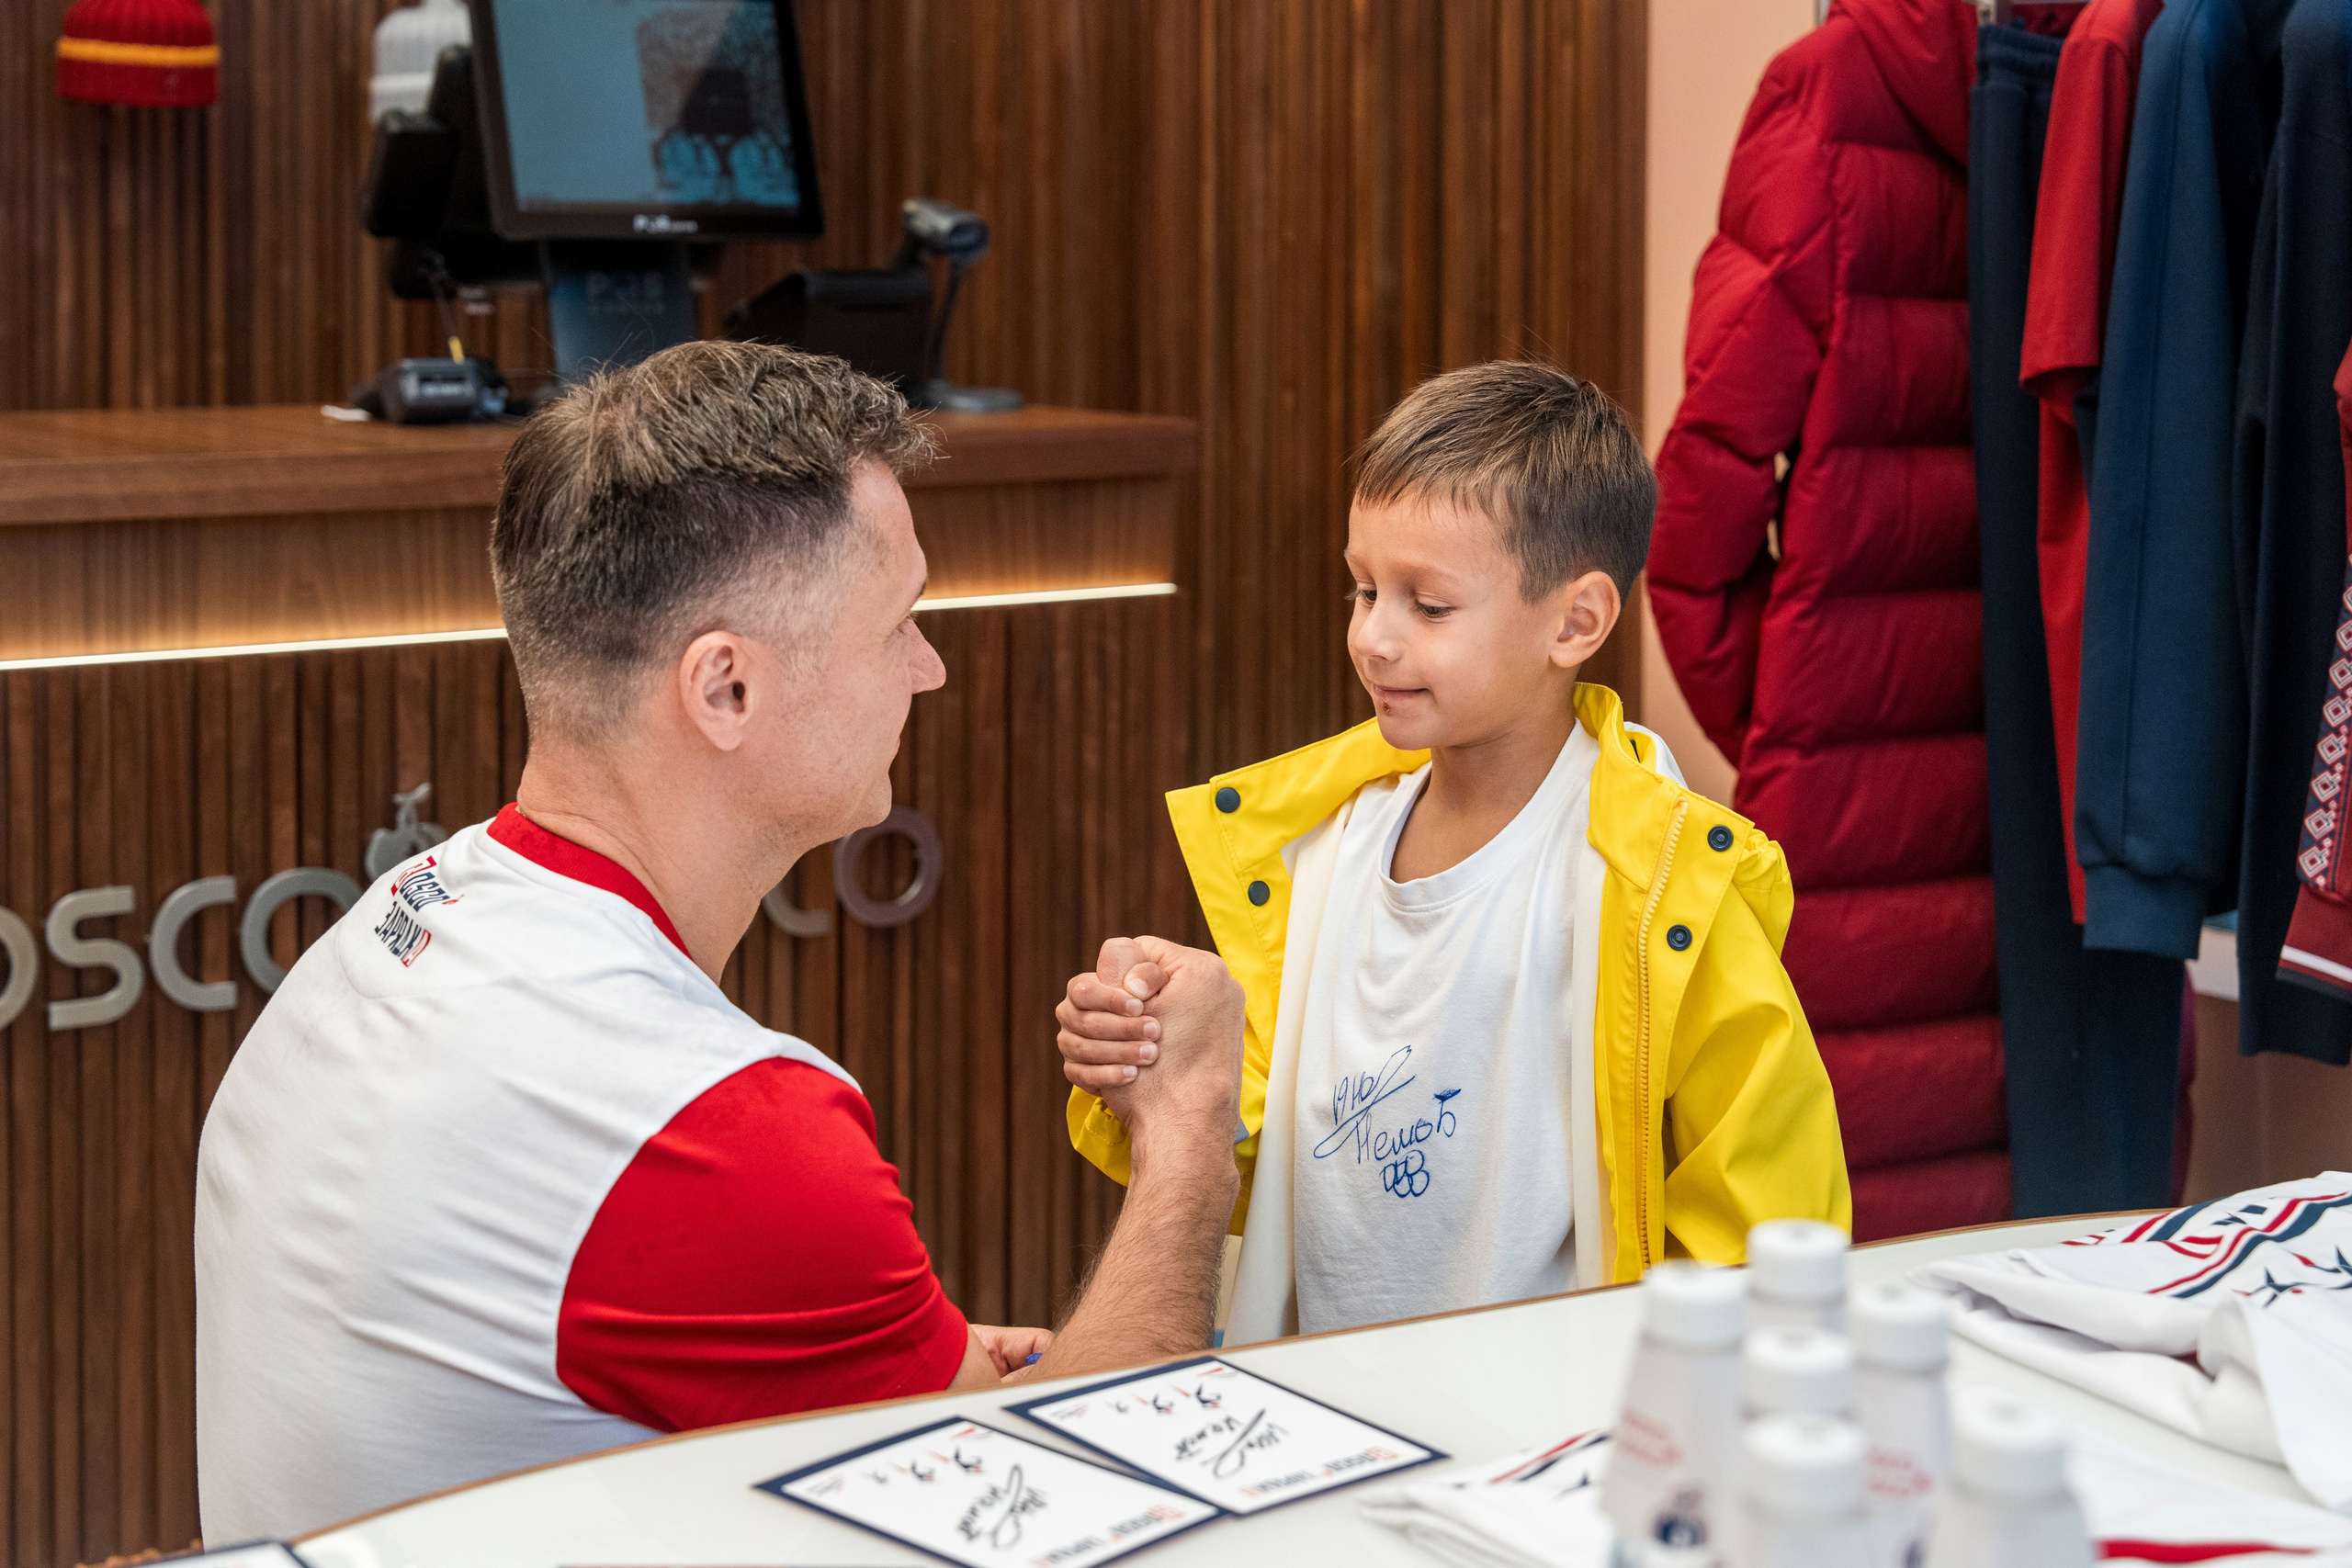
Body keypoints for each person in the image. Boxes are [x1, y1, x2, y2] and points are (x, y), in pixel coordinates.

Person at [194, 343, 1245, 1541]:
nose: (930, 668)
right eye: (897, 624)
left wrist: (900, 1357)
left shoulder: (390, 924)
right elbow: (1068, 1508)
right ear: (725, 689)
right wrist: (1188, 1128)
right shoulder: (712, 1133)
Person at [1058, 362, 1850, 1342]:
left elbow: (1767, 1236)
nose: (1374, 639)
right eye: (1363, 590)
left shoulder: (1665, 889)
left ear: (1576, 622)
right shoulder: (1316, 850)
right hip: (1328, 1403)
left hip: (1552, 1413)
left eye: (1427, 606)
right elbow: (1272, 1150)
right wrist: (1152, 1072)